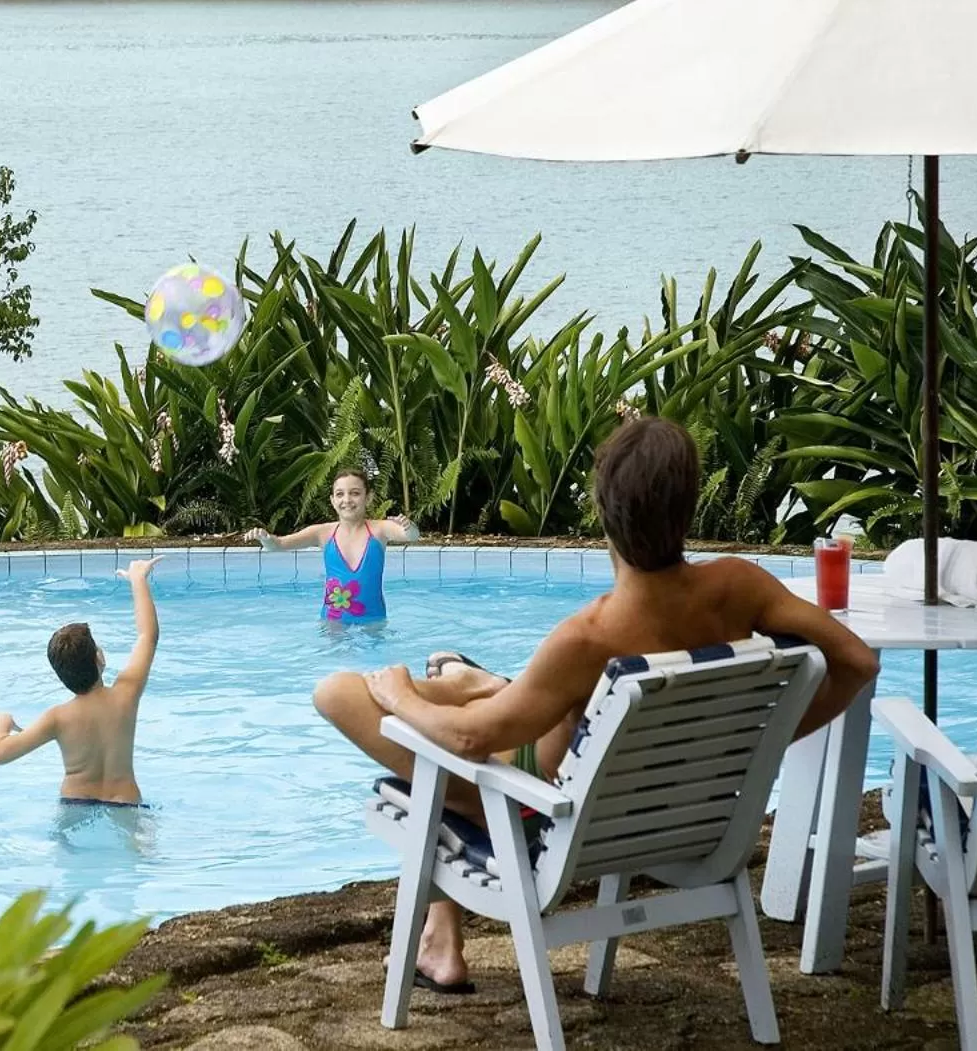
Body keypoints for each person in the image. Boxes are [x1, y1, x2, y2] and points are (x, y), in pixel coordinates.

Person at [312, 416, 880, 994]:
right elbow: (858, 663)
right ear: (688, 507)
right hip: (677, 814)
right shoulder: (742, 585)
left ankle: (477, 702)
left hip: (546, 813)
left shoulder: (588, 639)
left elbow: (464, 742)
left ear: (603, 510)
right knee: (485, 695)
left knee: (338, 694)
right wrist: (758, 745)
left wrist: (402, 697)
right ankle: (479, 688)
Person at [0, 556, 161, 806]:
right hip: (124, 801)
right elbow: (148, 636)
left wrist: (1, 725)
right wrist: (138, 580)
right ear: (99, 659)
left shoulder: (57, 718)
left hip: (74, 802)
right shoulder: (126, 694)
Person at [246, 469, 418, 622]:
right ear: (332, 500)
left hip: (373, 620)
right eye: (340, 494)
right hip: (333, 623)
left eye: (355, 493)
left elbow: (411, 536)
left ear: (369, 497)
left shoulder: (379, 530)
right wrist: (266, 539)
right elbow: (279, 544)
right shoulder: (323, 533)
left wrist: (408, 526)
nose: (347, 500)